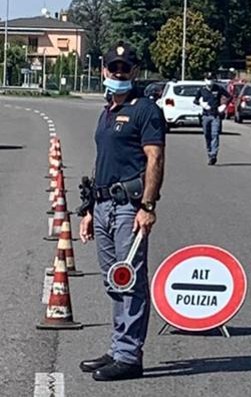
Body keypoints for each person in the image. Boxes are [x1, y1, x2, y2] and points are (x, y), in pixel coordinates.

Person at [78, 41, 166, 381]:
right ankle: (117, 347)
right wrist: (88, 209)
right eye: (112, 67)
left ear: (134, 72)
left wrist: (148, 205)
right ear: (103, 70)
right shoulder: (107, 111)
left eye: (124, 68)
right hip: (102, 206)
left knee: (128, 281)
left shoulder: (145, 110)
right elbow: (104, 163)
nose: (118, 73)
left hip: (129, 208)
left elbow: (155, 158)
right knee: (112, 282)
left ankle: (129, 356)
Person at [193, 71, 231, 165]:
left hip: (215, 115)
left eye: (211, 79)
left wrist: (224, 105)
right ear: (205, 80)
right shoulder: (201, 90)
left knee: (215, 134)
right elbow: (195, 100)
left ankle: (213, 155)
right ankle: (209, 152)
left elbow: (229, 96)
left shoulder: (218, 88)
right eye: (208, 79)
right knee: (207, 135)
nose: (210, 81)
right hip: (205, 115)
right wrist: (201, 104)